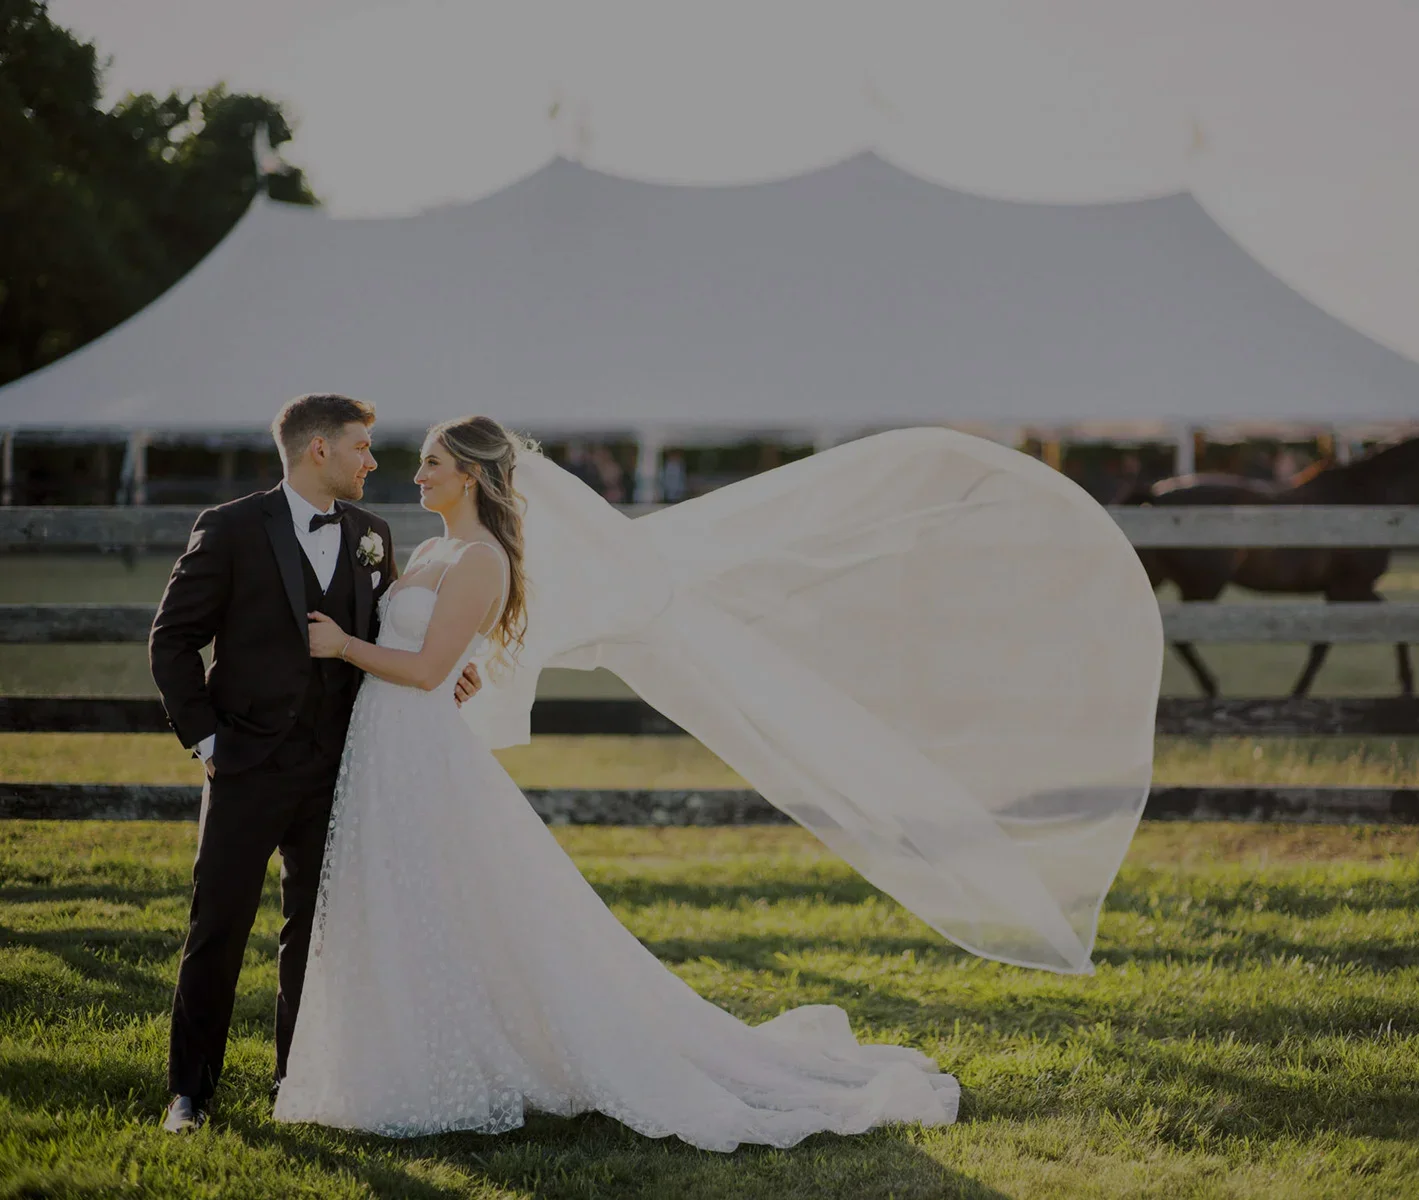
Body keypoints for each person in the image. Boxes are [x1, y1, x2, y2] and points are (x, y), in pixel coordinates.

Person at [271, 416, 1164, 1150]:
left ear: (469, 475)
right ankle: (401, 1059)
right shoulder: (422, 554)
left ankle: (458, 1065)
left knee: (448, 903)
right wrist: (399, 658)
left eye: (429, 462)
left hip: (420, 749)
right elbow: (438, 664)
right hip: (388, 750)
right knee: (396, 902)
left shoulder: (480, 563)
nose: (412, 473)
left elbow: (427, 670)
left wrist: (347, 647)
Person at [148, 394, 482, 1134]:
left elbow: (385, 633)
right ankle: (190, 1094)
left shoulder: (372, 533)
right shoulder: (231, 528)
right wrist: (208, 743)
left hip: (341, 767)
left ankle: (294, 1082)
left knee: (317, 932)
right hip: (243, 765)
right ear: (318, 450)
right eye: (362, 447)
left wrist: (445, 669)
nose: (373, 460)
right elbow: (171, 641)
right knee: (218, 927)